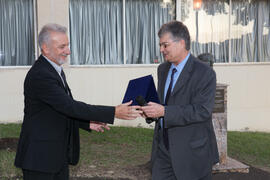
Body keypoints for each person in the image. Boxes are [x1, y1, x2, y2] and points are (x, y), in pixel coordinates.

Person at [14, 23, 142, 180]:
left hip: (55, 156)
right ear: (45, 48)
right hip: (40, 158)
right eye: (62, 47)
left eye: (67, 45)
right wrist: (114, 111)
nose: (68, 51)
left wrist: (86, 123)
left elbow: (57, 109)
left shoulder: (53, 69)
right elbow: (69, 106)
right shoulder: (41, 74)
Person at [141, 21, 219, 180]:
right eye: (160, 45)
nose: (161, 50)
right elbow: (164, 103)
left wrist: (164, 111)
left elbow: (202, 111)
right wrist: (151, 112)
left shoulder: (205, 73)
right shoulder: (162, 69)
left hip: (192, 155)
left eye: (165, 45)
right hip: (163, 151)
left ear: (181, 43)